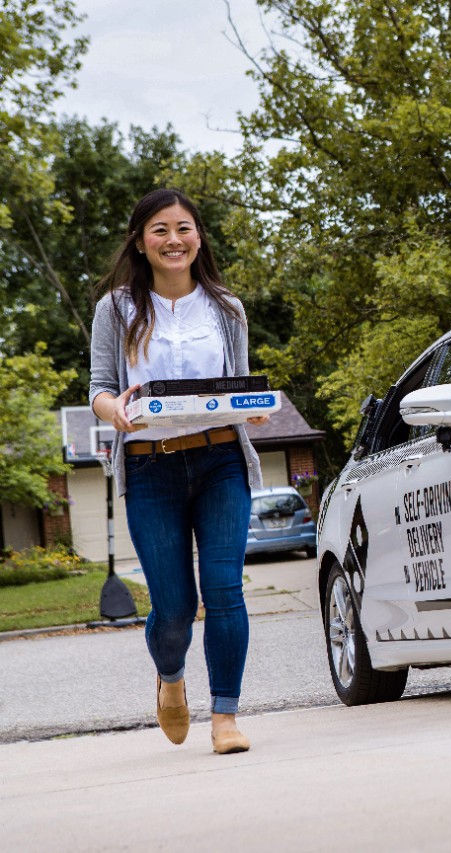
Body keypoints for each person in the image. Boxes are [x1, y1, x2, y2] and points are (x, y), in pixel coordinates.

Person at [89, 189, 268, 754]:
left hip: (220, 462)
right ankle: (170, 680)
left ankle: (225, 716)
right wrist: (112, 409)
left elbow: (239, 386)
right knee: (173, 607)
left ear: (199, 237)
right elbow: (99, 387)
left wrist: (253, 408)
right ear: (141, 242)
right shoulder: (116, 308)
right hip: (150, 468)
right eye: (160, 230)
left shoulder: (227, 308)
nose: (174, 240)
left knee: (224, 591)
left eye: (184, 228)